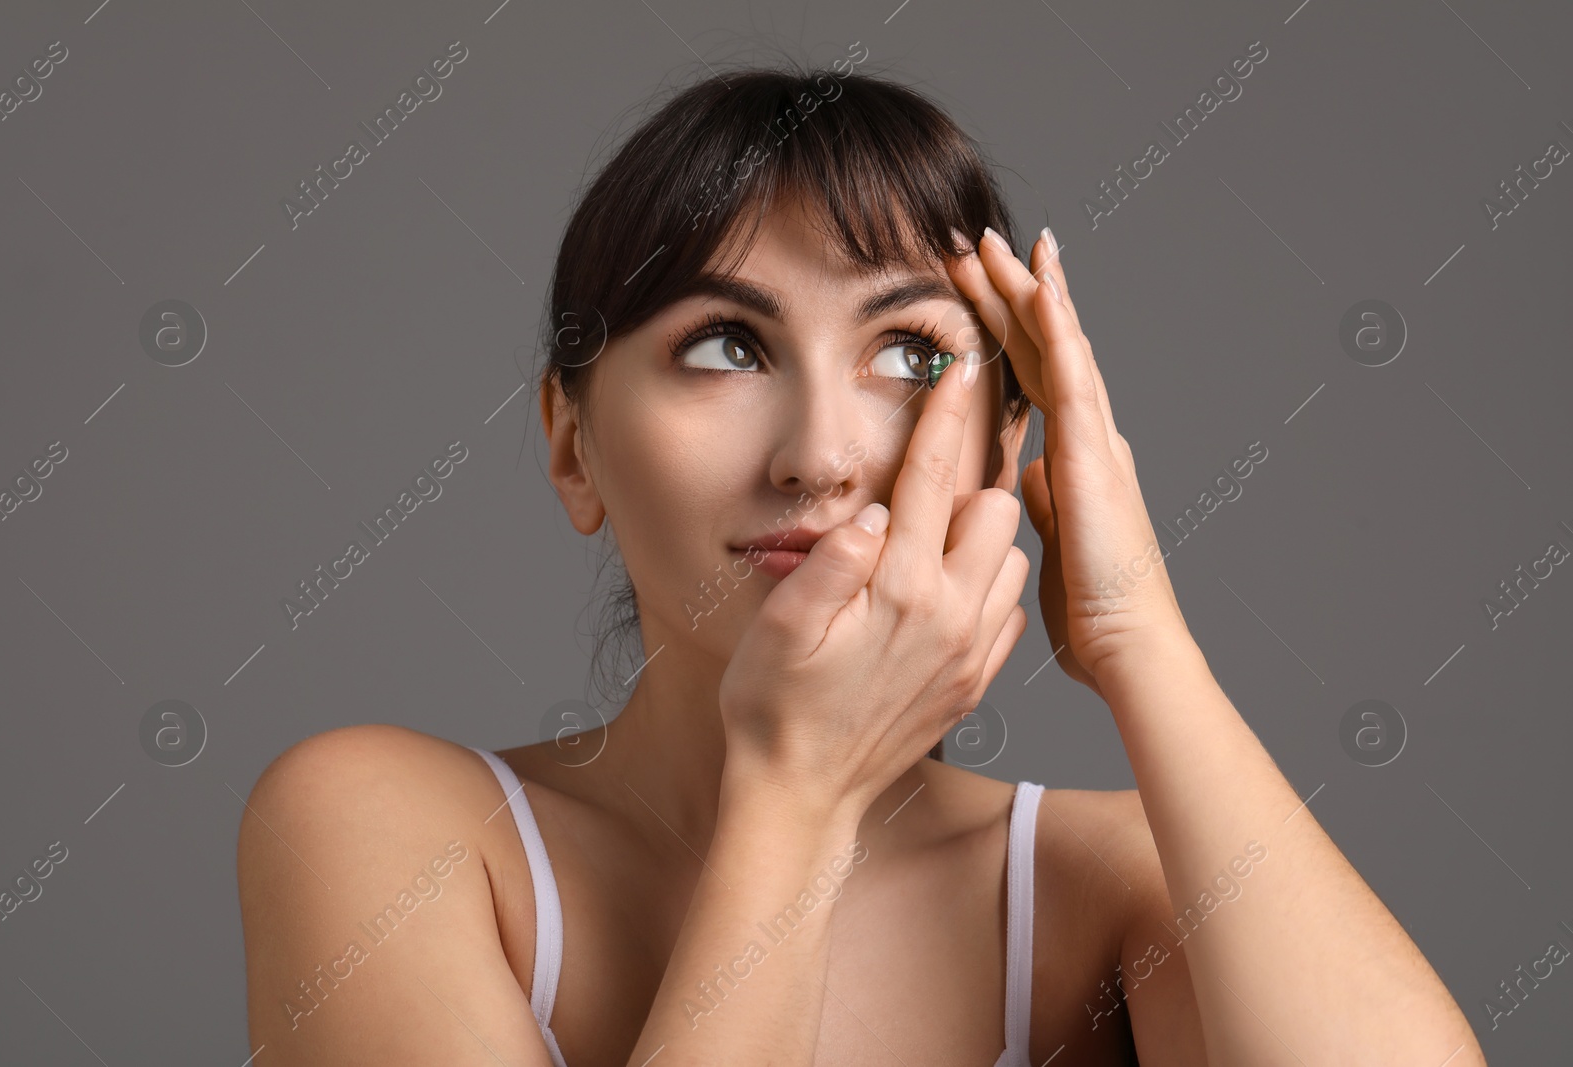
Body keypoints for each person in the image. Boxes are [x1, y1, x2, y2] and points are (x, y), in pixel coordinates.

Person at [237, 65, 1484, 1065]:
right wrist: (797, 793)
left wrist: (1136, 635)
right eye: (725, 346)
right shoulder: (391, 826)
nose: (821, 457)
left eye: (911, 355)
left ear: (1008, 441)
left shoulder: (1109, 882)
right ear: (574, 447)